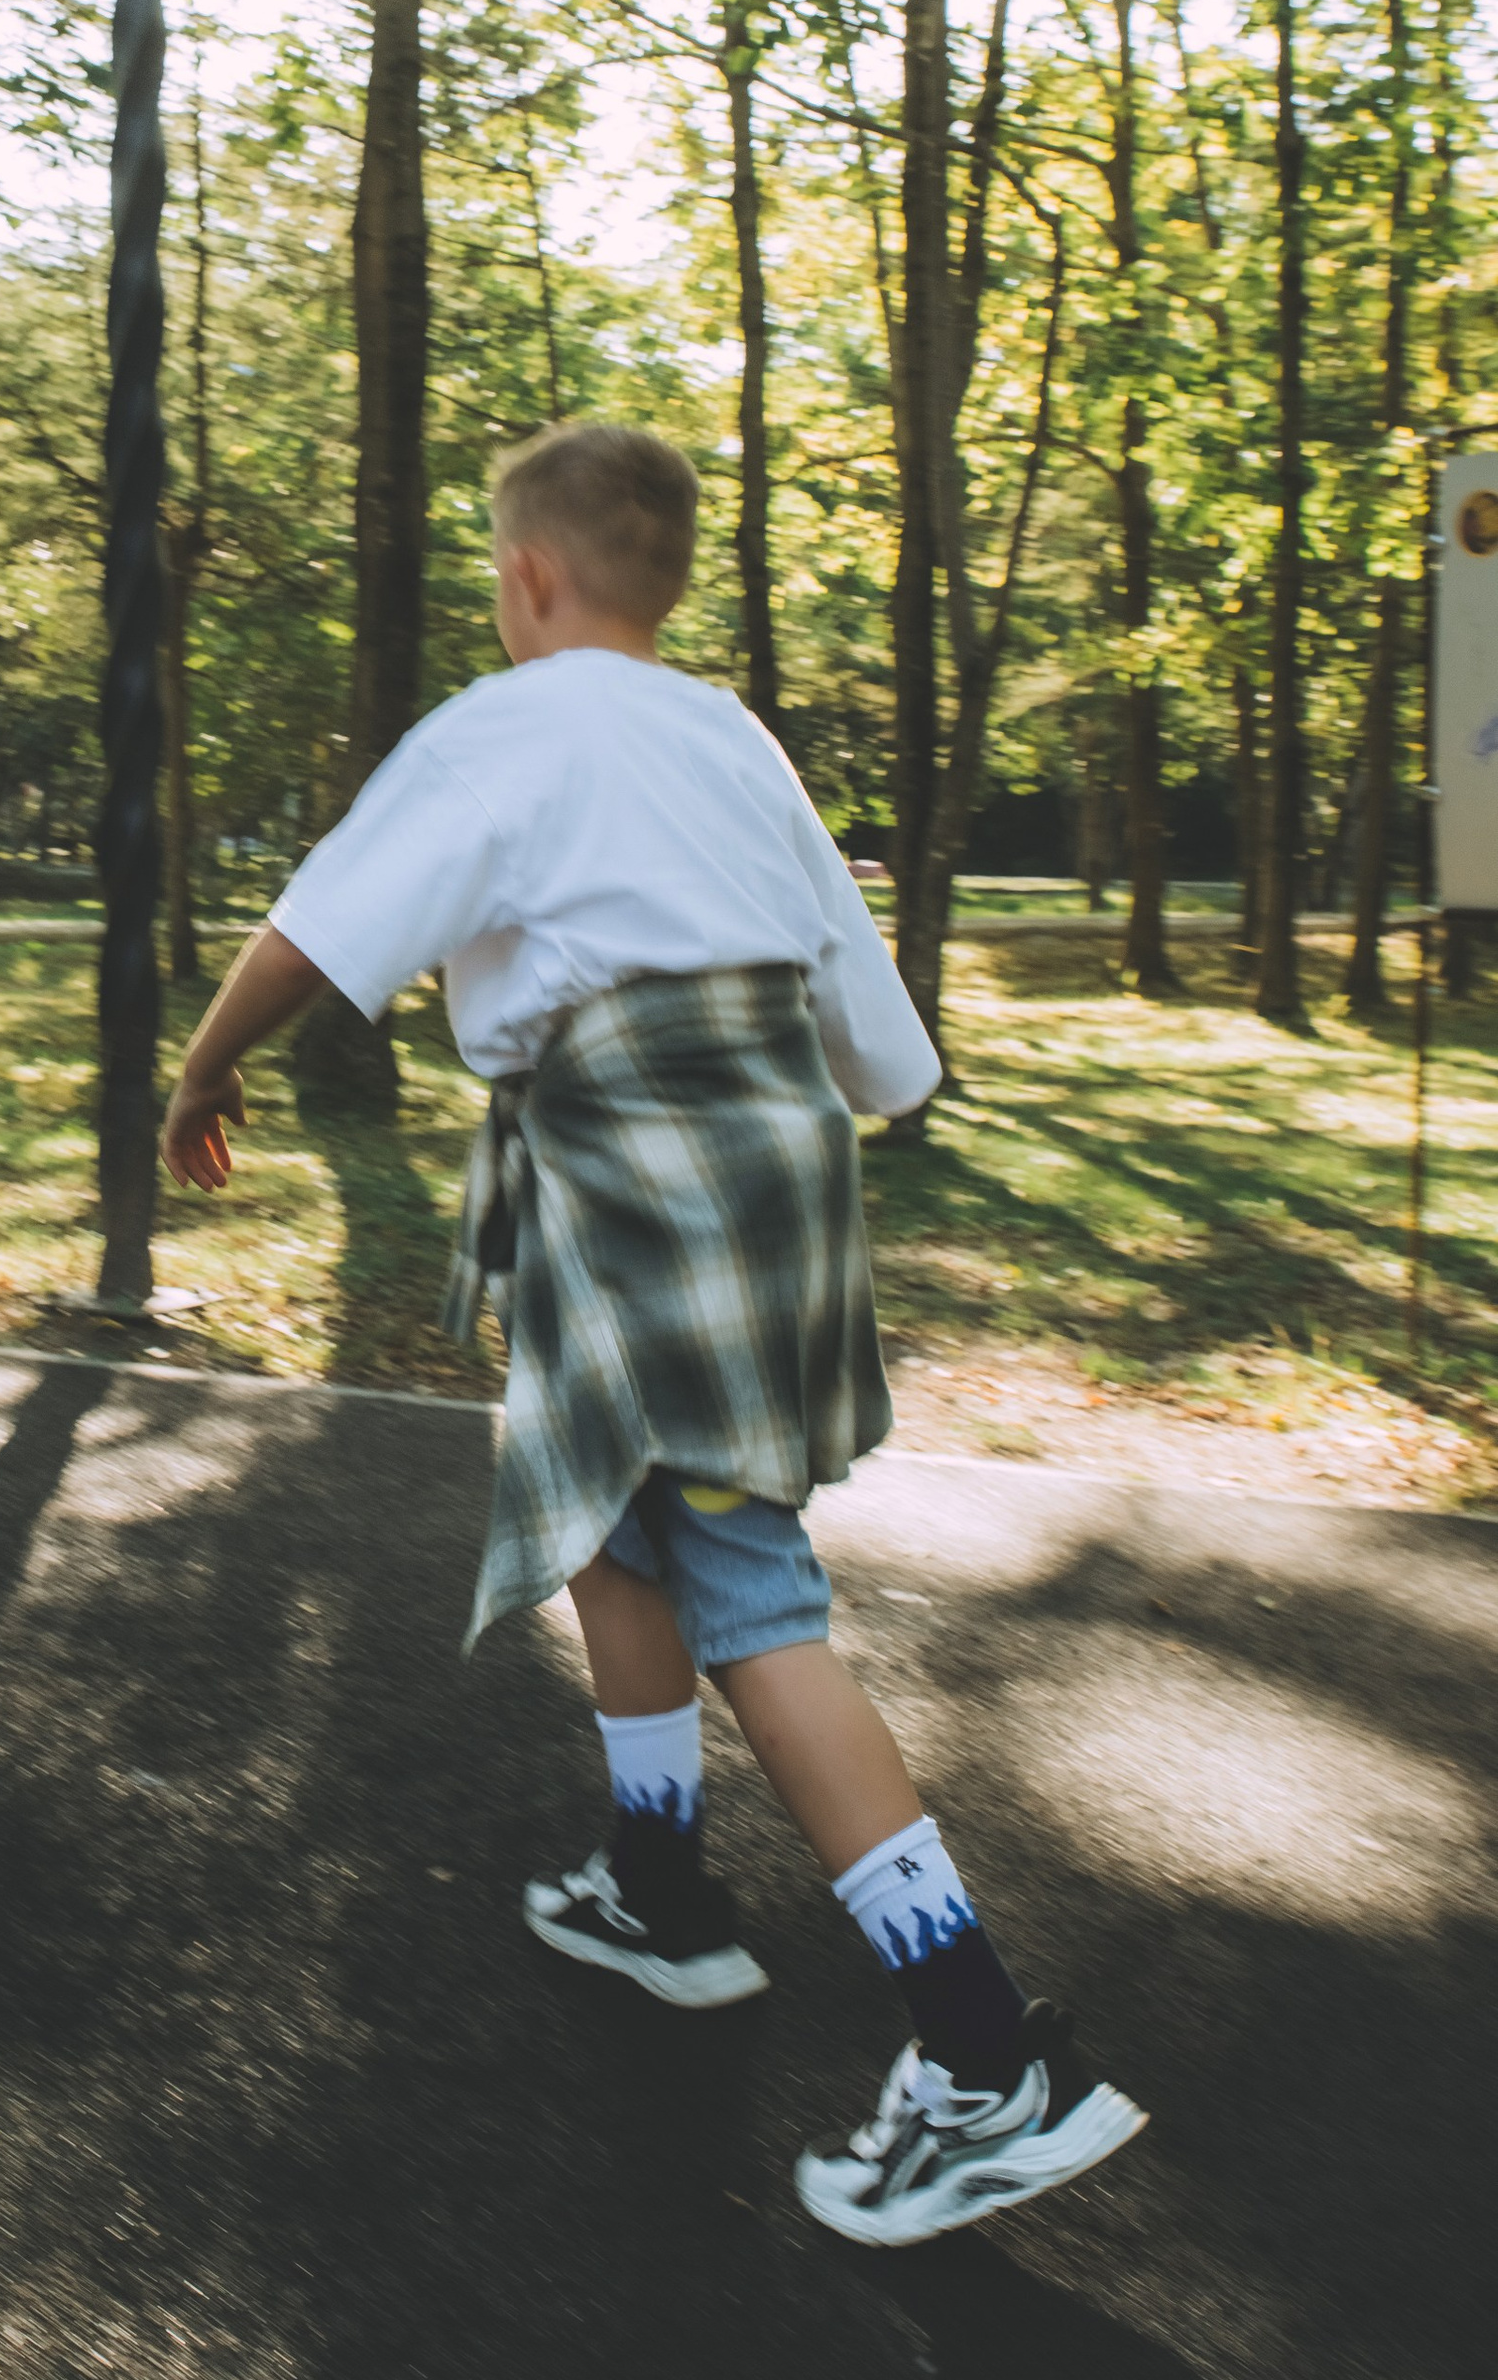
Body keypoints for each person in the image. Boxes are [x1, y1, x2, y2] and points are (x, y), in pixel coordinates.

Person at [162, 419, 1146, 2248]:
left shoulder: (507, 723)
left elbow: (326, 919)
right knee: (618, 1527)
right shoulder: (729, 737)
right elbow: (882, 1046)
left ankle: (983, 2046)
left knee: (745, 1589)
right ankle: (658, 1889)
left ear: (531, 577)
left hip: (629, 1154)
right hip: (770, 1151)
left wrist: (205, 1064)